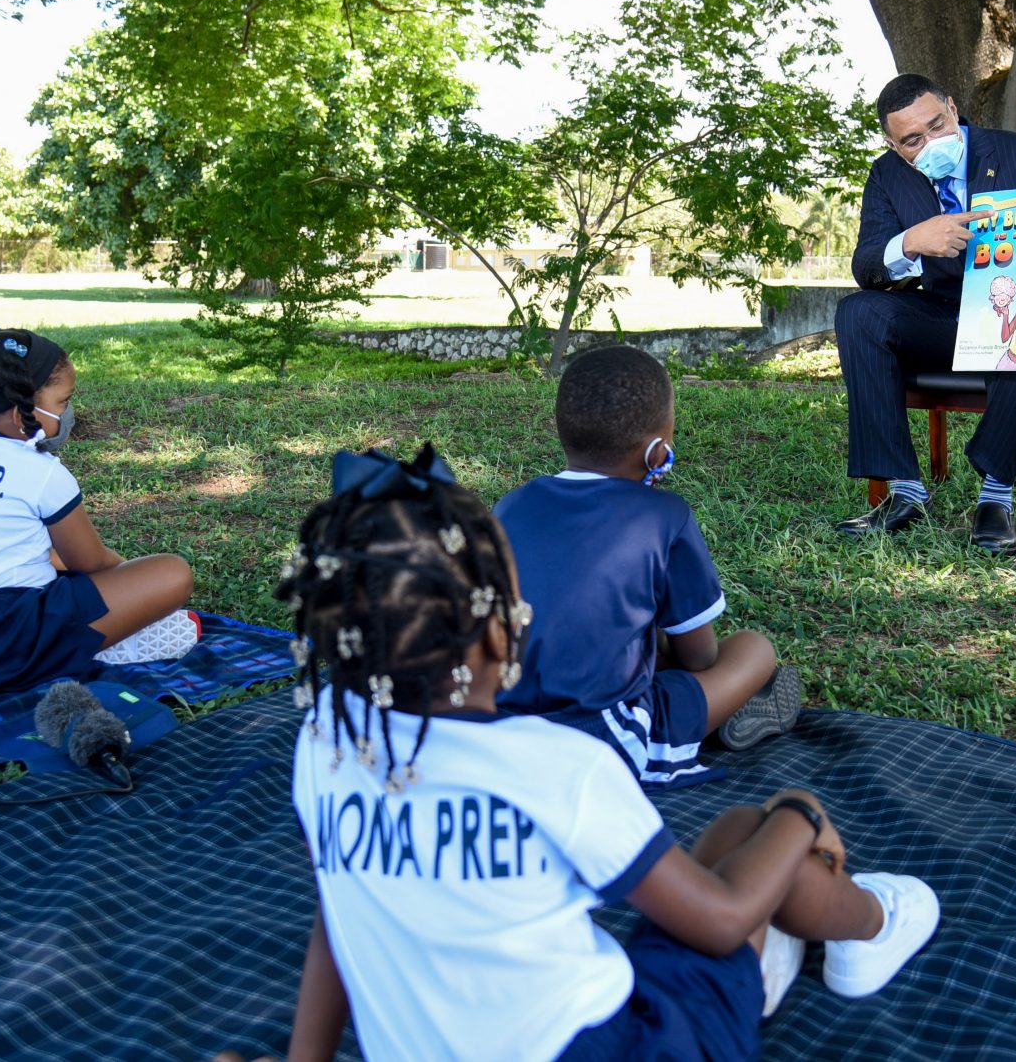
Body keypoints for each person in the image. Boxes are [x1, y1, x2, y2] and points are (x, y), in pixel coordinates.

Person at [277, 445, 940, 1062]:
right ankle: (875, 924)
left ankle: (775, 953)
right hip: (630, 1044)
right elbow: (719, 919)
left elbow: (333, 917)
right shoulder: (556, 766)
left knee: (744, 846)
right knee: (759, 834)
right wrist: (801, 811)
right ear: (498, 631)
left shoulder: (325, 747)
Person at [495, 347, 799, 785]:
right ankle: (727, 712)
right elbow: (701, 657)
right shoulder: (666, 516)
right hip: (604, 737)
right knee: (753, 649)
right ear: (659, 452)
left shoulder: (511, 505)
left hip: (502, 722)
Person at [834, 74, 1016, 552]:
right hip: (944, 313)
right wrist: (911, 241)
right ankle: (904, 491)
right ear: (893, 144)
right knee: (858, 312)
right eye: (912, 140)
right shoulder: (887, 174)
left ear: (951, 106)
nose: (931, 143)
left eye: (937, 124)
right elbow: (866, 266)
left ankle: (995, 497)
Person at [0, 329, 197, 694]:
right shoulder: (41, 471)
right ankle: (104, 646)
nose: (68, 413)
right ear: (20, 413)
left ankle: (81, 643)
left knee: (60, 573)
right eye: (62, 402)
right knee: (170, 572)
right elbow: (93, 563)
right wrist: (129, 577)